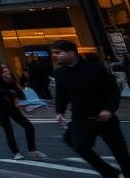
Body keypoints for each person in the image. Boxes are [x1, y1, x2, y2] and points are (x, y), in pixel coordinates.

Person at [53, 40, 130, 178]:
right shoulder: (60, 73)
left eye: (59, 53)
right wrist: (59, 112)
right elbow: (61, 94)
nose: (56, 56)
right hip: (80, 117)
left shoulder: (95, 68)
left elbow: (112, 91)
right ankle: (110, 173)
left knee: (119, 150)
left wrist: (109, 109)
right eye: (55, 53)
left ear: (72, 52)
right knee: (80, 147)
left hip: (104, 116)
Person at [0, 64, 44, 160]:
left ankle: (32, 149)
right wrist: (9, 96)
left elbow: (20, 94)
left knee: (29, 126)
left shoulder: (13, 83)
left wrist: (26, 103)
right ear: (1, 74)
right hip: (1, 109)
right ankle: (16, 153)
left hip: (13, 108)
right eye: (4, 72)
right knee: (9, 131)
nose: (7, 74)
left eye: (8, 71)